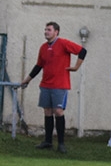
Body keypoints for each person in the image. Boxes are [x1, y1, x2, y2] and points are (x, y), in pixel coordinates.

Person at [20, 21, 87, 154]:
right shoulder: (43, 48)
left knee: (58, 111)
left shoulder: (63, 43)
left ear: (56, 32)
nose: (46, 32)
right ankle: (48, 141)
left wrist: (76, 67)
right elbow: (38, 66)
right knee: (47, 111)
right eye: (45, 30)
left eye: (49, 30)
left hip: (60, 85)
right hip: (46, 85)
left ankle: (61, 143)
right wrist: (27, 80)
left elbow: (82, 51)